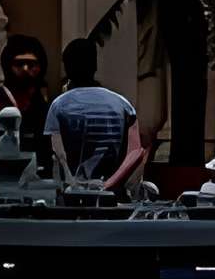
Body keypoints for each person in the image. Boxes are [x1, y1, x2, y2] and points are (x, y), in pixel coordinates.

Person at [43, 37, 146, 193]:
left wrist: (72, 185)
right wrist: (109, 185)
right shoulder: (123, 104)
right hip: (112, 194)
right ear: (95, 65)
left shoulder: (58, 106)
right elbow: (136, 153)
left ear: (67, 68)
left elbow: (58, 154)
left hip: (73, 194)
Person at [0, 33, 51, 159]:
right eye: (19, 64)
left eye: (31, 64)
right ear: (8, 66)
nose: (25, 69)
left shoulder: (42, 101)